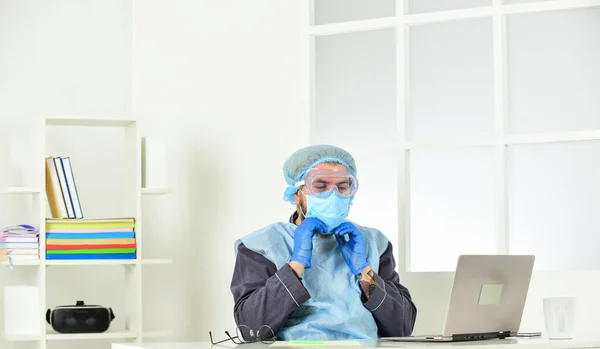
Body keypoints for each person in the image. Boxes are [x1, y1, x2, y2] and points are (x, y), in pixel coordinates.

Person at [230, 144, 417, 341]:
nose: (333, 195)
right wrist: (296, 264)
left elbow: (402, 327)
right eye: (320, 186)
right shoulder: (262, 246)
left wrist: (365, 271)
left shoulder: (374, 243)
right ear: (296, 193)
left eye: (342, 187)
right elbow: (251, 329)